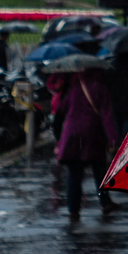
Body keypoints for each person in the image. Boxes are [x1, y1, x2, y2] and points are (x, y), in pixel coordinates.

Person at [50, 63, 118, 221]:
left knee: (74, 174)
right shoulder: (101, 89)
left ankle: (73, 209)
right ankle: (105, 201)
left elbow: (61, 111)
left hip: (72, 136)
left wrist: (58, 135)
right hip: (92, 135)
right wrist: (113, 138)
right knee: (100, 172)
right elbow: (107, 116)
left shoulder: (74, 90)